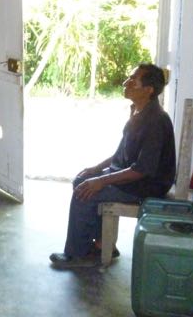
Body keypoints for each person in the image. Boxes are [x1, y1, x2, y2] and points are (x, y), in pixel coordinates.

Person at [49, 64, 176, 268]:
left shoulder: (155, 121)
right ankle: (101, 244)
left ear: (148, 90)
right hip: (133, 176)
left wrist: (101, 181)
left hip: (147, 185)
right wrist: (95, 170)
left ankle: (77, 254)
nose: (126, 83)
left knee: (85, 190)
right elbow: (121, 153)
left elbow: (142, 170)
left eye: (133, 80)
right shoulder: (139, 111)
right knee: (82, 180)